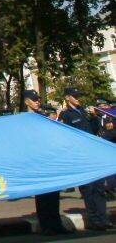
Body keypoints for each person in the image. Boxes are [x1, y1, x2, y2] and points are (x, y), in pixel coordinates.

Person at [58, 87, 111, 230]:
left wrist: (94, 118)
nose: (78, 98)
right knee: (88, 189)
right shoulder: (66, 115)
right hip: (81, 157)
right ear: (68, 98)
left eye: (79, 96)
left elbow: (95, 131)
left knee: (99, 188)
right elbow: (66, 136)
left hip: (93, 154)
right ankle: (94, 219)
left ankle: (103, 217)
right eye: (75, 96)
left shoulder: (84, 112)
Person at [22, 89, 63, 235]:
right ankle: (46, 226)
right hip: (36, 162)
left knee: (53, 194)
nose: (37, 102)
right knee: (43, 196)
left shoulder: (42, 117)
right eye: (34, 100)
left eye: (38, 99)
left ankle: (56, 223)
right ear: (26, 101)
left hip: (49, 159)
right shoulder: (22, 120)